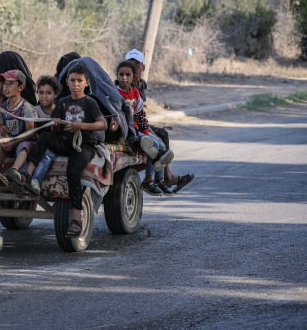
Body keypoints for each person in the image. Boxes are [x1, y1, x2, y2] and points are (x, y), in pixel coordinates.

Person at [24, 60, 107, 237]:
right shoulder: (62, 103)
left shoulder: (90, 103)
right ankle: (26, 175)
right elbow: (54, 128)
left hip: (83, 145)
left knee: (73, 171)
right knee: (46, 136)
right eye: (72, 80)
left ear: (87, 82)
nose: (75, 84)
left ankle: (77, 215)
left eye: (79, 80)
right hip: (64, 141)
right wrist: (55, 125)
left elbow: (102, 124)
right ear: (67, 82)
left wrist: (80, 126)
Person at [125, 49, 194, 194]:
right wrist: (147, 130)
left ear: (143, 67)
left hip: (139, 122)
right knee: (157, 138)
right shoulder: (126, 84)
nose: (134, 67)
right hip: (131, 124)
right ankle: (159, 178)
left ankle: (161, 179)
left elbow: (139, 113)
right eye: (130, 64)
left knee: (161, 135)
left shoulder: (141, 85)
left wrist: (146, 128)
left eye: (137, 64)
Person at [115, 60, 174, 196]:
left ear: (133, 76)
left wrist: (148, 132)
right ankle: (149, 179)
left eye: (127, 75)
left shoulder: (135, 93)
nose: (124, 78)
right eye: (121, 74)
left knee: (161, 145)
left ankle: (158, 180)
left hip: (139, 129)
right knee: (151, 147)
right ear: (117, 75)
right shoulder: (115, 93)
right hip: (128, 131)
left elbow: (141, 116)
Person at [0, 69, 38, 179]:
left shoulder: (26, 107)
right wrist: (3, 133)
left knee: (23, 147)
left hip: (22, 143)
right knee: (0, 144)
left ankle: (14, 170)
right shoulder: (2, 108)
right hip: (9, 143)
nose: (6, 87)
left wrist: (13, 143)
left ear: (21, 87)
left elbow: (30, 133)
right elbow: (0, 130)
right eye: (5, 83)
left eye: (11, 83)